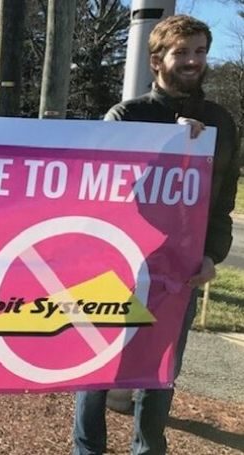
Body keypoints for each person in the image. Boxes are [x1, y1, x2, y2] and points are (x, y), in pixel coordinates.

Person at [72, 15, 240, 455]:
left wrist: (212, 256)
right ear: (157, 60)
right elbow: (104, 192)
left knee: (160, 371)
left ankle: (148, 449)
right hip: (119, 266)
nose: (192, 60)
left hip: (180, 271)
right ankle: (86, 449)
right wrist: (171, 143)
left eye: (200, 51)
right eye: (181, 52)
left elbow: (221, 202)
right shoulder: (127, 116)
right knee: (99, 363)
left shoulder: (221, 121)